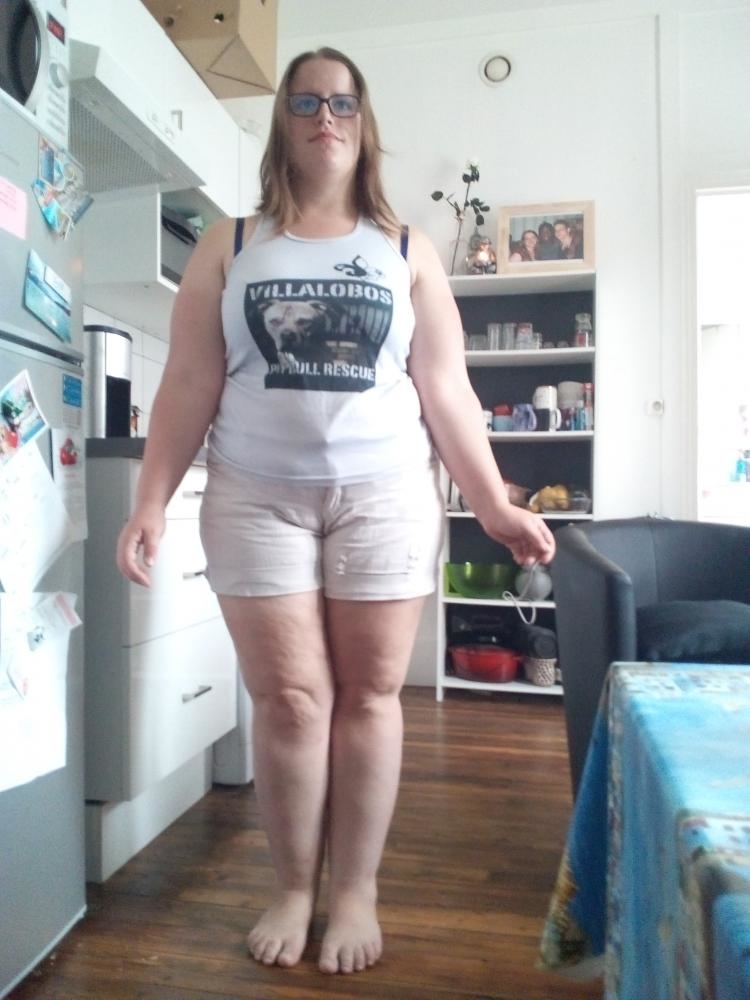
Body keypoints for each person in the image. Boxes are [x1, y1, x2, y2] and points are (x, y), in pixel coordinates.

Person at [116, 46, 555, 976]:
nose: (326, 117)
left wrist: (492, 506)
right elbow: (189, 382)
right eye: (307, 102)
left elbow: (446, 390)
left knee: (369, 697)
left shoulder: (406, 250)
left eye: (343, 103)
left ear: (364, 124)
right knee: (289, 700)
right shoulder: (230, 244)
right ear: (283, 121)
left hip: (386, 497)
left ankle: (354, 890)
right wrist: (149, 500)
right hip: (254, 498)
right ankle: (292, 886)